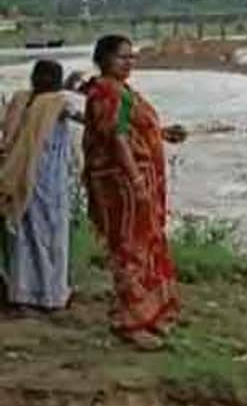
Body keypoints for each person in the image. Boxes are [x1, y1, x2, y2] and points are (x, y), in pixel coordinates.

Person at [83, 35, 187, 350]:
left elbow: (131, 129)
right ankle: (130, 321)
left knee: (147, 243)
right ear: (103, 59)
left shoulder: (122, 91)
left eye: (132, 57)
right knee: (130, 248)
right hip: (123, 186)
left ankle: (150, 314)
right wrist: (136, 181)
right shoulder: (105, 91)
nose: (129, 63)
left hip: (137, 181)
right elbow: (117, 138)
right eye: (122, 57)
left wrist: (162, 133)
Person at [0, 60, 77, 311]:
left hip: (17, 175)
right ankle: (48, 295)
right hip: (48, 181)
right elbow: (87, 119)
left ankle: (21, 293)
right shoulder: (59, 103)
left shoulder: (21, 99)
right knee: (49, 236)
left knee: (21, 236)